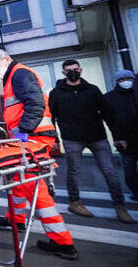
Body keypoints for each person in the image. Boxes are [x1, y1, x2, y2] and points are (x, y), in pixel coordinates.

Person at [0, 49, 77, 260]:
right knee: (16, 179)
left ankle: (63, 243)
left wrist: (24, 130)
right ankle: (15, 220)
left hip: (33, 138)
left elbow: (35, 103)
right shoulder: (11, 77)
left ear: (6, 59)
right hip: (27, 138)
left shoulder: (19, 74)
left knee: (31, 186)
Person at [48, 59, 133, 223]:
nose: (73, 72)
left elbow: (108, 113)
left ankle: (120, 207)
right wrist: (54, 139)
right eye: (69, 70)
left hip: (97, 136)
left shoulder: (92, 90)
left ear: (80, 70)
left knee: (110, 172)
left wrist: (117, 136)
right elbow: (51, 116)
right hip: (72, 138)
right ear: (64, 73)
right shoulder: (57, 93)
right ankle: (74, 202)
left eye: (75, 69)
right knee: (74, 172)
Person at [104, 70, 138, 202]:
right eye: (122, 79)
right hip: (125, 139)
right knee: (129, 168)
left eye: (128, 78)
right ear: (117, 81)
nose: (125, 81)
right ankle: (135, 191)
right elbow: (110, 120)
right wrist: (117, 138)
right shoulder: (110, 97)